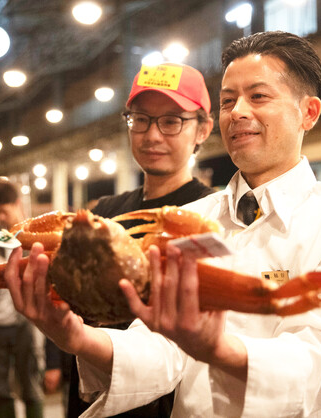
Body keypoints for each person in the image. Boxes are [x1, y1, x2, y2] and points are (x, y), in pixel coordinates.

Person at [4, 31, 321, 416]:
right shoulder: (193, 219)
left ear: (308, 112)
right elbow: (160, 344)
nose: (237, 111)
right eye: (228, 100)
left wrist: (219, 349)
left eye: (258, 96)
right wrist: (77, 337)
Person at [61, 62, 215, 417]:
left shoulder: (208, 216)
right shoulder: (106, 212)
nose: (152, 135)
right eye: (141, 119)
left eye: (171, 121)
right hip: (87, 392)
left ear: (203, 129)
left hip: (165, 404)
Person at [0, 180, 45, 418]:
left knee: (30, 385)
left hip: (26, 324)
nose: (0, 217)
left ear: (17, 203)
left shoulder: (35, 237)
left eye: (3, 211)